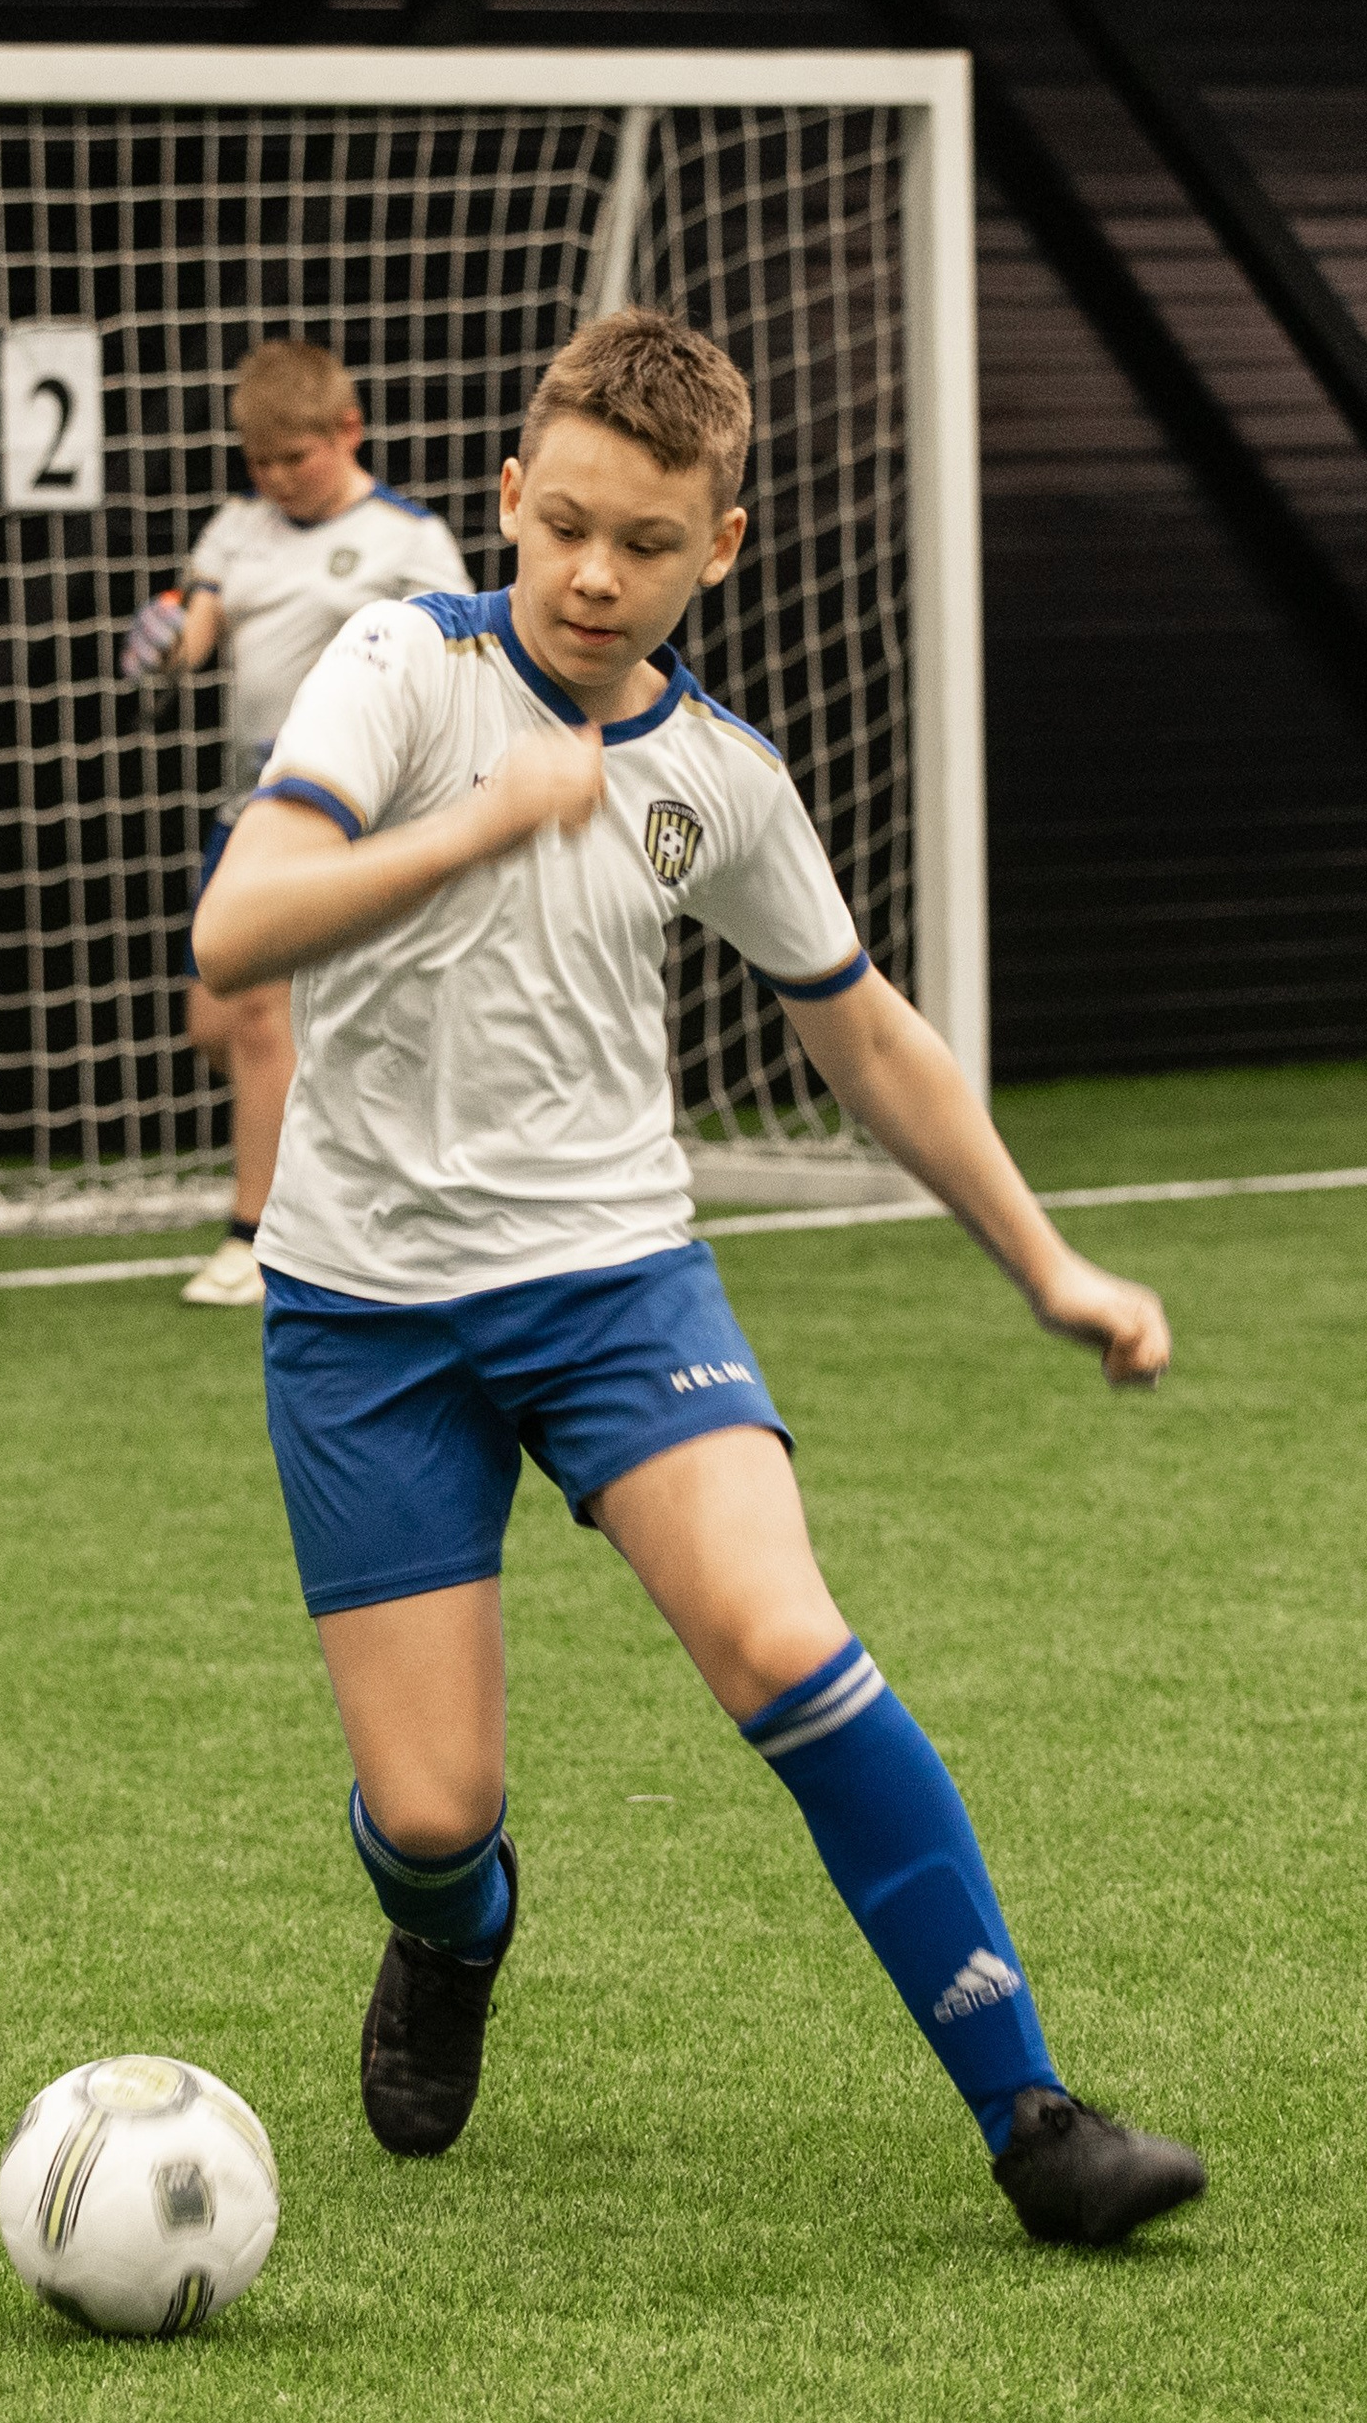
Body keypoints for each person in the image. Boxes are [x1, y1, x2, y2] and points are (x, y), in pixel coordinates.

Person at [192, 305, 1206, 2248]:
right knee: (427, 1815)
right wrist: (477, 824)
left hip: (613, 1290)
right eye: (559, 522)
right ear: (502, 495)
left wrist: (1045, 1266)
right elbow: (239, 923)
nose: (589, 572)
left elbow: (871, 1041)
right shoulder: (398, 668)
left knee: (780, 1643)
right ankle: (450, 1935)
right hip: (361, 1320)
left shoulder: (718, 777)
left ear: (714, 549)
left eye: (642, 543)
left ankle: (1033, 2120)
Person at [126, 340, 468, 1311]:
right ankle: (361, 1174)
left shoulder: (410, 540)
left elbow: (447, 669)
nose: (276, 478)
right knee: (216, 1019)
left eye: (295, 458)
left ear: (347, 431)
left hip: (354, 804)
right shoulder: (236, 530)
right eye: (260, 461)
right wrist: (157, 649)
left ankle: (252, 1237)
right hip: (249, 801)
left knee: (257, 1013)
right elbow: (193, 633)